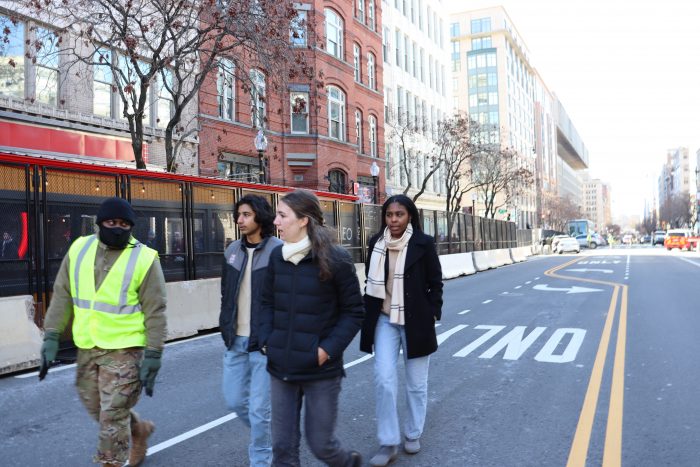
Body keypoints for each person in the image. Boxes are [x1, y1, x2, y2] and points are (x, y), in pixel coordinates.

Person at [38, 197, 167, 467]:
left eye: (124, 224)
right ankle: (138, 430)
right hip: (87, 345)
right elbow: (62, 295)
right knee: (98, 408)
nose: (117, 228)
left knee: (112, 415)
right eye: (111, 223)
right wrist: (51, 335)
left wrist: (154, 354)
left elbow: (155, 311)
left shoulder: (144, 258)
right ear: (99, 224)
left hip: (125, 350)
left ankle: (111, 462)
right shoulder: (79, 249)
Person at [259, 190, 363, 467]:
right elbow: (266, 303)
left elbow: (354, 312)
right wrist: (267, 340)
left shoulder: (337, 259)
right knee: (282, 449)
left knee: (322, 445)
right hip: (281, 367)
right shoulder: (276, 257)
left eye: (282, 215)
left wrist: (326, 350)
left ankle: (350, 462)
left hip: (321, 370)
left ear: (304, 220)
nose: (276, 222)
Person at [360, 194, 443, 467]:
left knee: (416, 385)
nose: (394, 220)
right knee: (383, 379)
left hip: (416, 321)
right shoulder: (376, 243)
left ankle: (413, 433)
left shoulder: (423, 243)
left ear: (410, 216)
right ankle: (388, 441)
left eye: (400, 214)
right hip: (384, 319)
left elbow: (435, 282)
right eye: (389, 214)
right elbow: (370, 282)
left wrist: (432, 311)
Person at [219, 195, 282, 466]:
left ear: (260, 217)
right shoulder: (232, 250)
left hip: (263, 343)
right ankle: (268, 434)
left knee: (259, 409)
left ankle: (261, 459)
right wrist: (225, 327)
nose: (239, 220)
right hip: (236, 341)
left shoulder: (279, 250)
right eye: (239, 214)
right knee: (234, 401)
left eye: (246, 214)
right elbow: (226, 293)